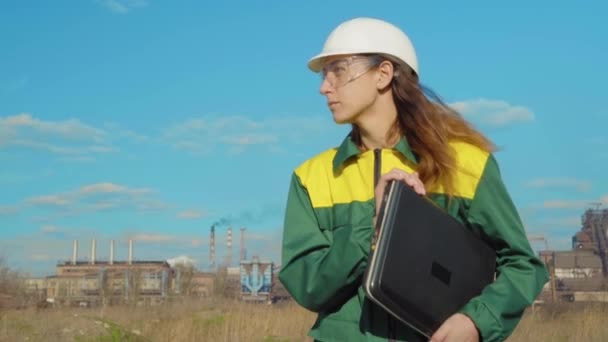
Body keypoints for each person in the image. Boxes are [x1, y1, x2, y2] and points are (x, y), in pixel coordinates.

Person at [278, 17, 549, 342]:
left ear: (383, 74)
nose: (324, 86)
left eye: (338, 70)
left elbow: (522, 264)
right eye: (325, 75)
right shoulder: (311, 178)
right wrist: (372, 226)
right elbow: (309, 289)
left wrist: (476, 322)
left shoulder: (466, 164)